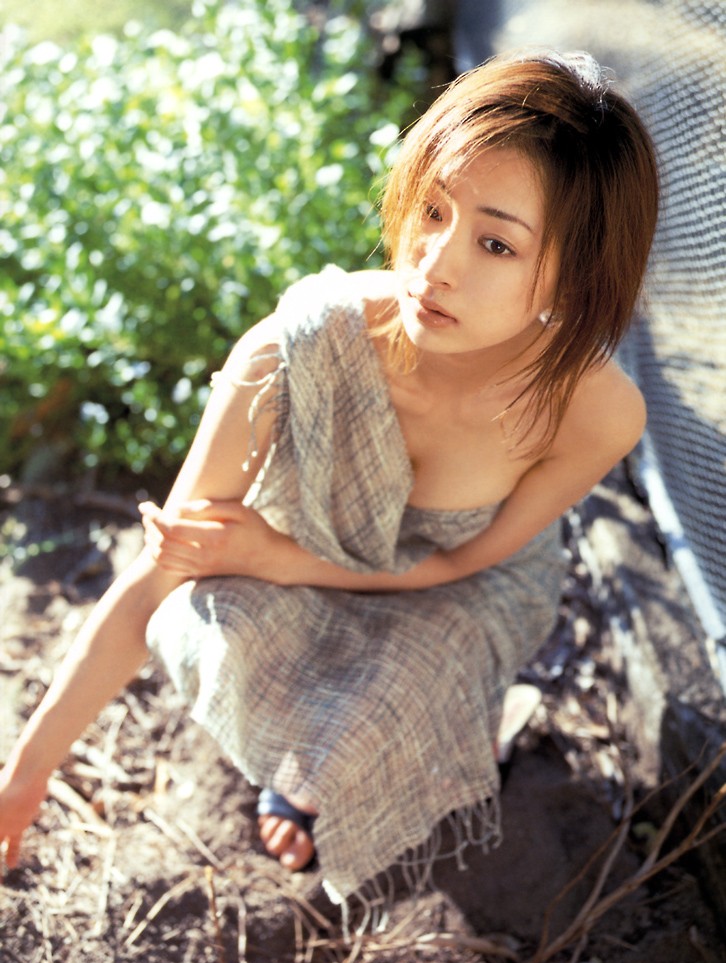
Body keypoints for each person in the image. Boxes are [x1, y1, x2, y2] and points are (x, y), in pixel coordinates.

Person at [0, 49, 658, 916]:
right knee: (211, 616)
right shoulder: (298, 347)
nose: (434, 263)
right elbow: (159, 575)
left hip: (468, 587)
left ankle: (456, 727)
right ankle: (316, 755)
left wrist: (276, 557)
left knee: (414, 682)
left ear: (578, 274)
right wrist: (25, 775)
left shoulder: (595, 412)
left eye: (496, 243)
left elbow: (461, 566)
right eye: (433, 209)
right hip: (315, 554)